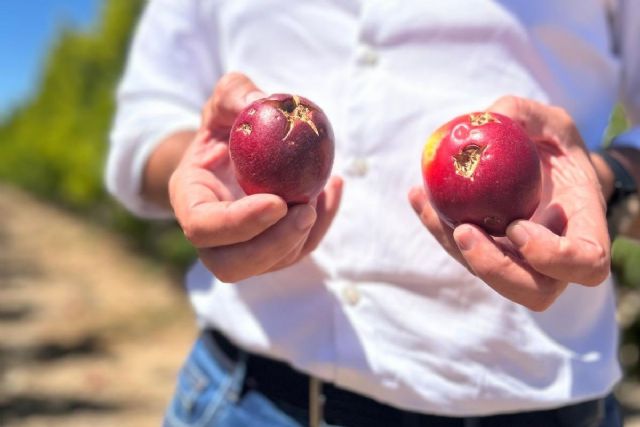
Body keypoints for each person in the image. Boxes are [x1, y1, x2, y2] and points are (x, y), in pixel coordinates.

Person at [106, 1, 640, 426]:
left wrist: (611, 180)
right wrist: (202, 171)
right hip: (244, 396)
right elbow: (145, 124)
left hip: (537, 409)